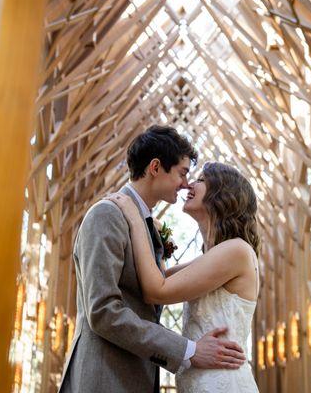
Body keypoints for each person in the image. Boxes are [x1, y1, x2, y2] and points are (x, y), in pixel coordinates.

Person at [58, 126, 247, 393]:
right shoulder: (107, 215)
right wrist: (188, 350)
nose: (185, 184)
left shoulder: (144, 225)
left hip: (133, 377)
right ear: (156, 167)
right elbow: (102, 311)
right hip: (105, 378)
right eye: (182, 173)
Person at [107, 161, 260, 392]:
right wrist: (159, 240)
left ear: (221, 193)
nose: (189, 184)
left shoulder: (236, 250)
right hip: (199, 380)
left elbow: (156, 291)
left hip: (223, 384)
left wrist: (135, 218)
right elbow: (161, 277)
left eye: (200, 180)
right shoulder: (217, 256)